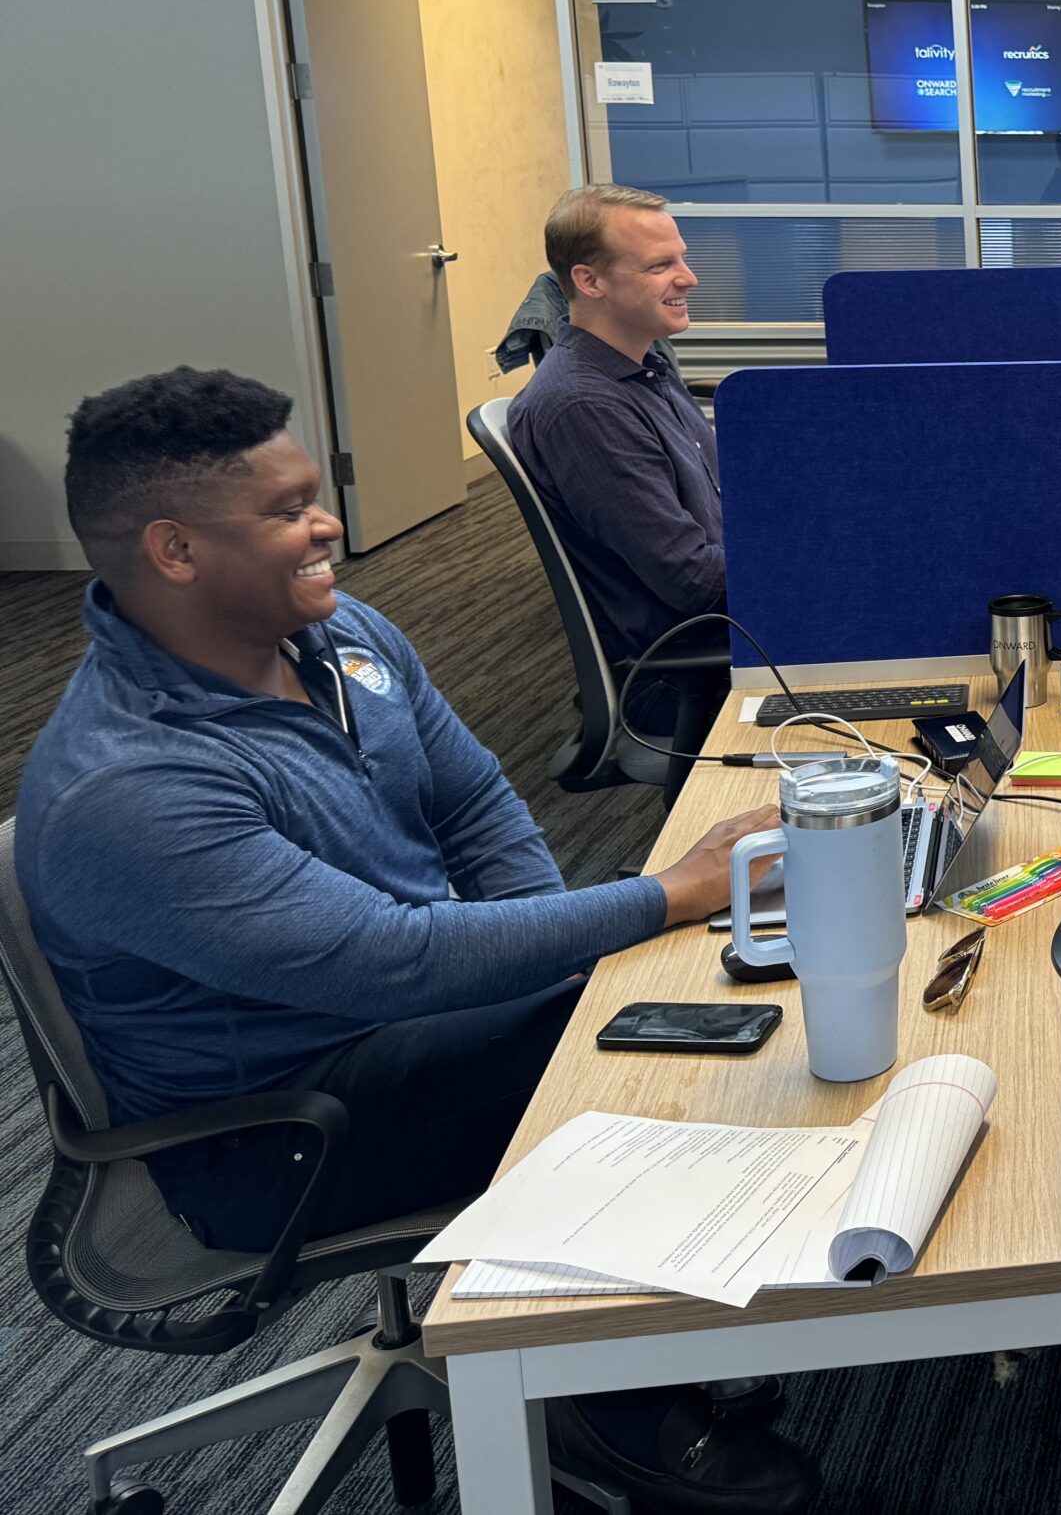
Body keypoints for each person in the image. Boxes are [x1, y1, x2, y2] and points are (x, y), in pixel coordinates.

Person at [16, 366, 819, 1513]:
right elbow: (386, 961)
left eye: (313, 493)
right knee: (642, 1013)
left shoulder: (344, 633)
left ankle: (625, 1327)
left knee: (626, 998)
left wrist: (560, 950)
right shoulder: (133, 784)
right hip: (279, 1133)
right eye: (287, 509)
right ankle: (601, 1411)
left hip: (417, 1014)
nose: (327, 522)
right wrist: (663, 898)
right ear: (175, 551)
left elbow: (475, 802)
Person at [508, 182, 727, 743]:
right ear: (590, 281)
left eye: (681, 258)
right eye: (660, 266)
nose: (688, 278)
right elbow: (692, 582)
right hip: (690, 663)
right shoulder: (585, 406)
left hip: (725, 626)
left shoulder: (642, 365)